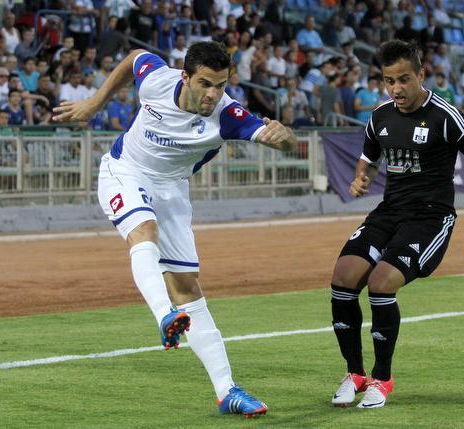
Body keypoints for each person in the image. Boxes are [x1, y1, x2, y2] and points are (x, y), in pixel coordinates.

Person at [52, 41, 296, 417]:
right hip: (125, 171)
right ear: (185, 77)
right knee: (144, 229)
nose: (213, 94)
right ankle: (164, 314)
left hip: (172, 190)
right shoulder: (158, 81)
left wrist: (285, 137)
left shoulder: (229, 115)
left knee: (187, 287)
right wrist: (94, 103)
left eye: (220, 85)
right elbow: (135, 56)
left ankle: (227, 391)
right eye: (205, 83)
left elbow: (284, 143)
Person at [328, 40, 464, 409]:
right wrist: (360, 178)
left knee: (380, 283)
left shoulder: (445, 116)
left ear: (421, 75)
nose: (396, 88)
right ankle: (355, 373)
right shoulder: (380, 116)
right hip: (389, 211)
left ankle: (382, 379)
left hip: (430, 217)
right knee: (343, 277)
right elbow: (368, 157)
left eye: (404, 79)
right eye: (389, 80)